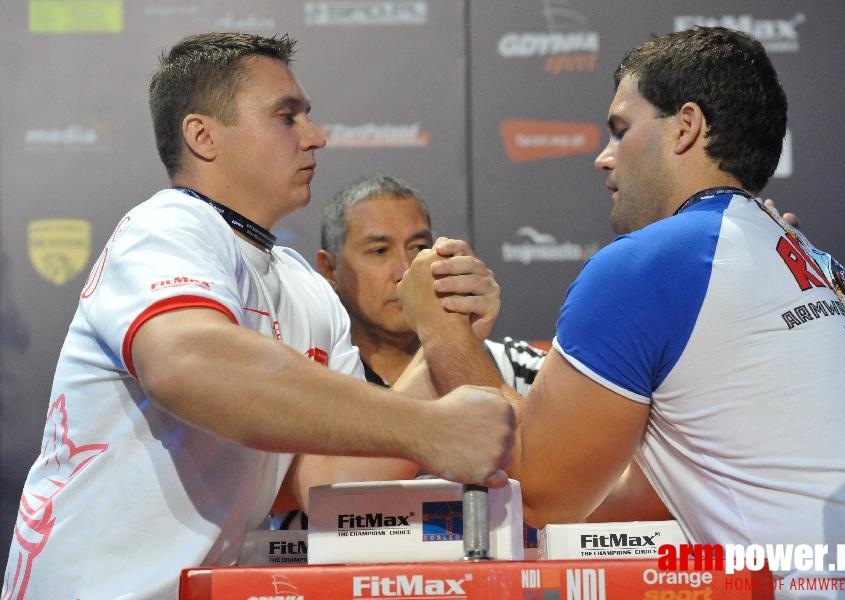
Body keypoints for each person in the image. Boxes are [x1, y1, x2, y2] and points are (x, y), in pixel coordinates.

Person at [1, 32, 515, 600]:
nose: (316, 138)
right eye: (286, 117)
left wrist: (443, 334)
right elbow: (187, 364)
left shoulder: (303, 286)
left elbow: (321, 481)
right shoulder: (167, 226)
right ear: (202, 135)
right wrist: (430, 427)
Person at [398, 26, 845, 594]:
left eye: (620, 129)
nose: (603, 158)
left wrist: (441, 330)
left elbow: (542, 493)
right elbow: (632, 494)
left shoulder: (658, 260)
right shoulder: (806, 258)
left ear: (686, 126)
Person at [273, 174, 546, 530]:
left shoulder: (515, 366)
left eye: (419, 248)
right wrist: (443, 341)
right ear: (329, 269)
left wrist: (456, 343)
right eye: (379, 251)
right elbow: (301, 495)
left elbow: (558, 481)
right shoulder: (309, 381)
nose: (405, 271)